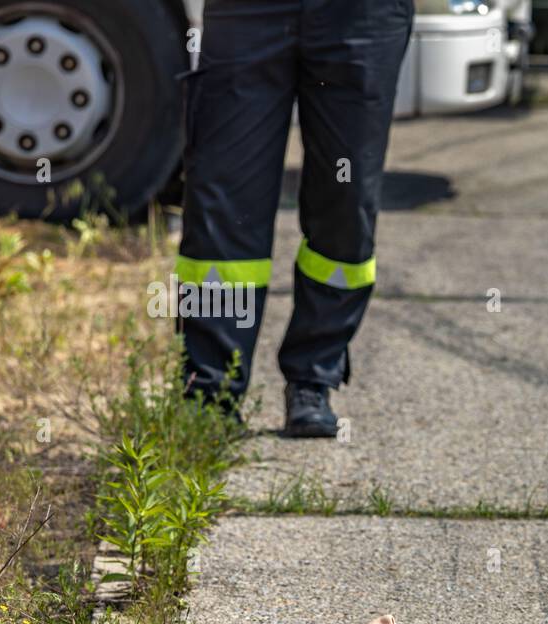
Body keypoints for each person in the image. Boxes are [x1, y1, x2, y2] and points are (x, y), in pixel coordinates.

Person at [176, 0, 413, 436]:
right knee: (225, 199)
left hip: (361, 16)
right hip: (249, 13)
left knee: (348, 197)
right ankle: (211, 390)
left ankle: (313, 377)